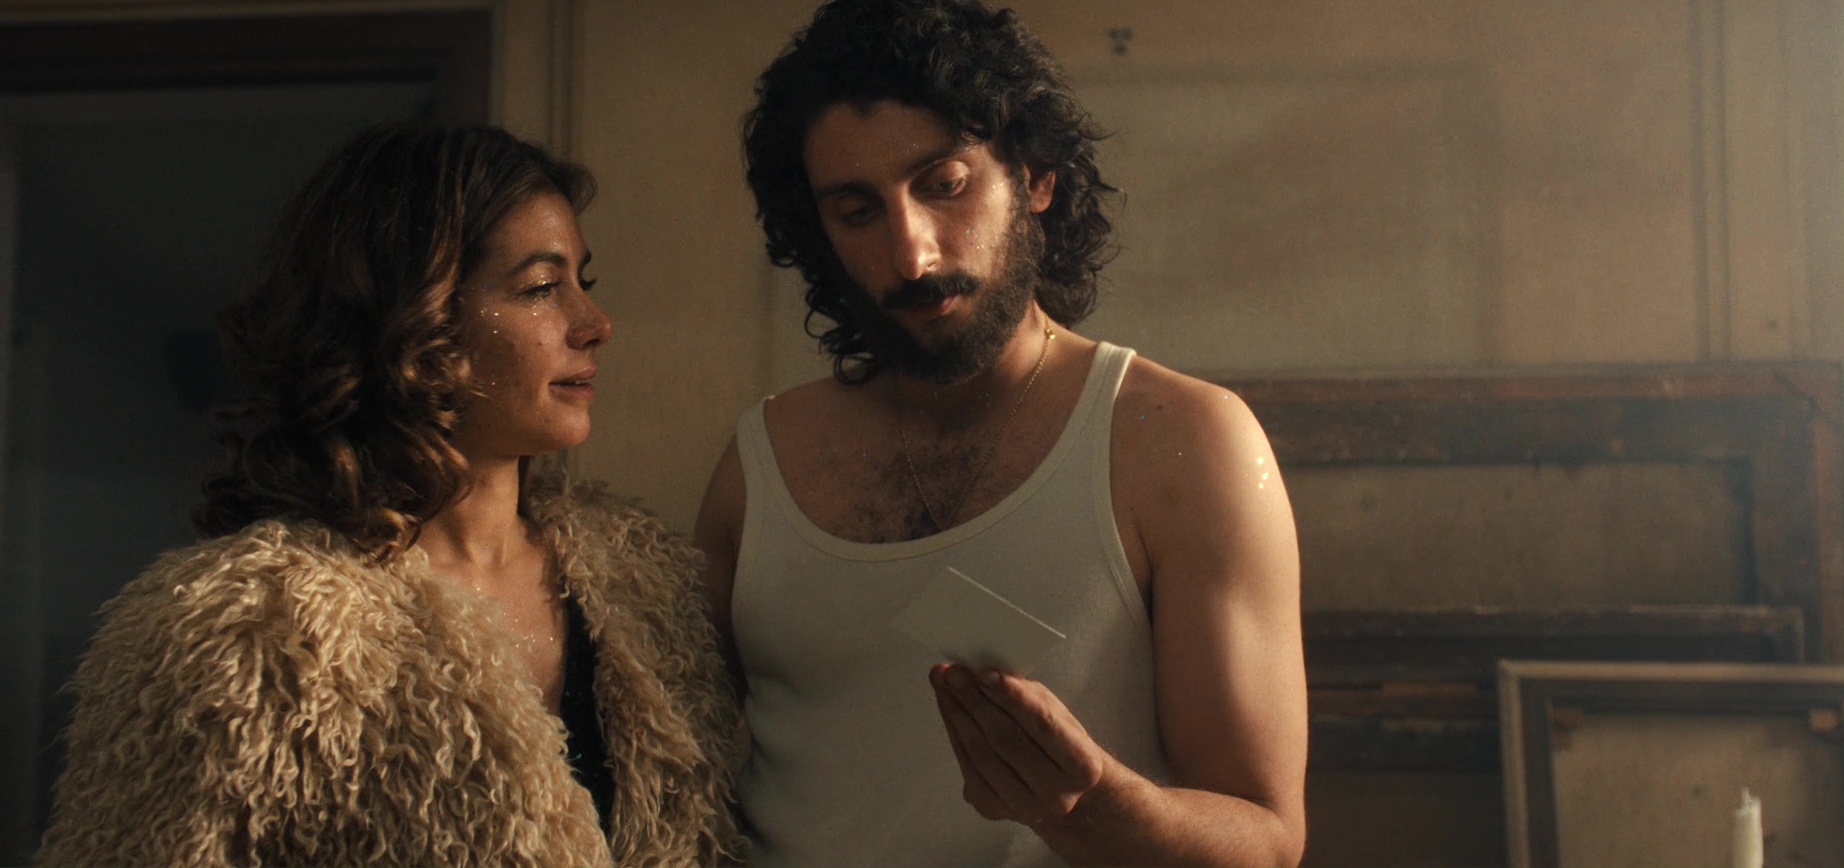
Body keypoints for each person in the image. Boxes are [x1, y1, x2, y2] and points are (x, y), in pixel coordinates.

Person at [694, 1, 1307, 866]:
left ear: (1035, 176)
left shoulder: (1181, 442)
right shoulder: (758, 464)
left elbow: (1268, 841)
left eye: (944, 185)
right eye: (857, 210)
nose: (913, 255)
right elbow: (662, 777)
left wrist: (1094, 806)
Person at [35, 125, 739, 868]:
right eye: (540, 288)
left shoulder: (646, 591)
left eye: (582, 284)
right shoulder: (249, 635)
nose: (594, 324)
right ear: (414, 319)